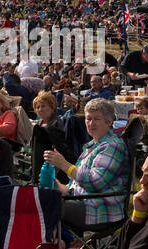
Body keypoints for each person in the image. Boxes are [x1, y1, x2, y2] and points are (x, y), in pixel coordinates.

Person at [43, 98, 129, 233]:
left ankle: (51, 247)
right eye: (88, 119)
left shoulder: (113, 146)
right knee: (38, 195)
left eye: (96, 119)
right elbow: (76, 186)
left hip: (101, 210)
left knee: (45, 205)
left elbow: (95, 182)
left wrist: (64, 164)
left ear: (109, 122)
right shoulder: (92, 146)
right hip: (84, 202)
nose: (91, 123)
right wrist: (55, 183)